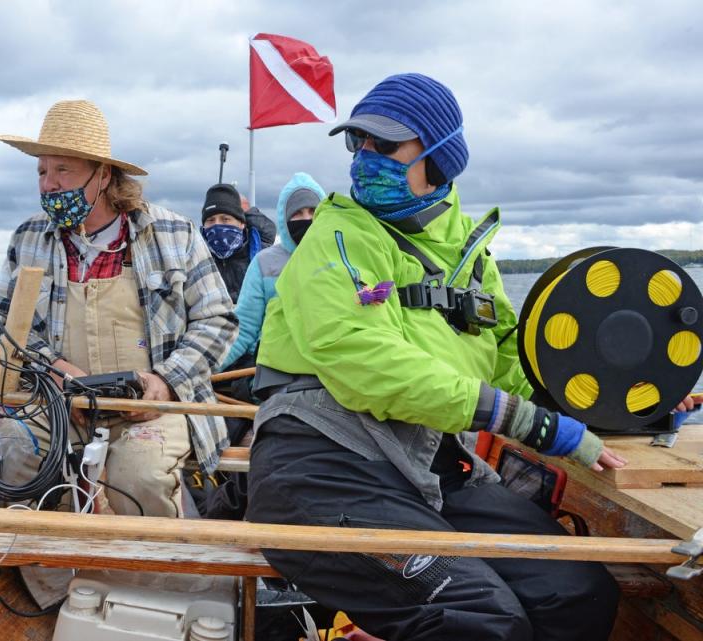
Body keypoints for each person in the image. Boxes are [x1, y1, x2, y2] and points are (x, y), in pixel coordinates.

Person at [243, 73, 667, 641]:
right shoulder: (337, 236)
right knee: (476, 618)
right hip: (321, 467)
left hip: (428, 468)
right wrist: (530, 424)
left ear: (441, 158)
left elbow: (516, 367)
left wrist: (629, 400)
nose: (365, 158)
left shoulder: (471, 255)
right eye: (357, 143)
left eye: (385, 144)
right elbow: (365, 361)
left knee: (577, 593)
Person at [0, 99, 237, 519]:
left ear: (103, 175)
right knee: (20, 457)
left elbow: (218, 321)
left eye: (62, 170)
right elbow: (2, 324)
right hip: (58, 400)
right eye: (42, 171)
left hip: (152, 409)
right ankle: (52, 580)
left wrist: (165, 384)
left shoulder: (174, 233)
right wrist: (53, 369)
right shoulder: (28, 237)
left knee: (139, 477)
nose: (48, 184)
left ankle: (150, 575)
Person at [218, 172, 326, 372]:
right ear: (285, 220)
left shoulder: (339, 257)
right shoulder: (264, 262)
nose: (307, 219)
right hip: (276, 373)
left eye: (313, 211)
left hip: (329, 368)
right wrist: (202, 370)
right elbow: (244, 328)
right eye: (297, 213)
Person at [201, 183, 276, 303]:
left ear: (242, 223)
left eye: (225, 219)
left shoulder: (262, 256)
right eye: (210, 220)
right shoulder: (195, 259)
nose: (217, 225)